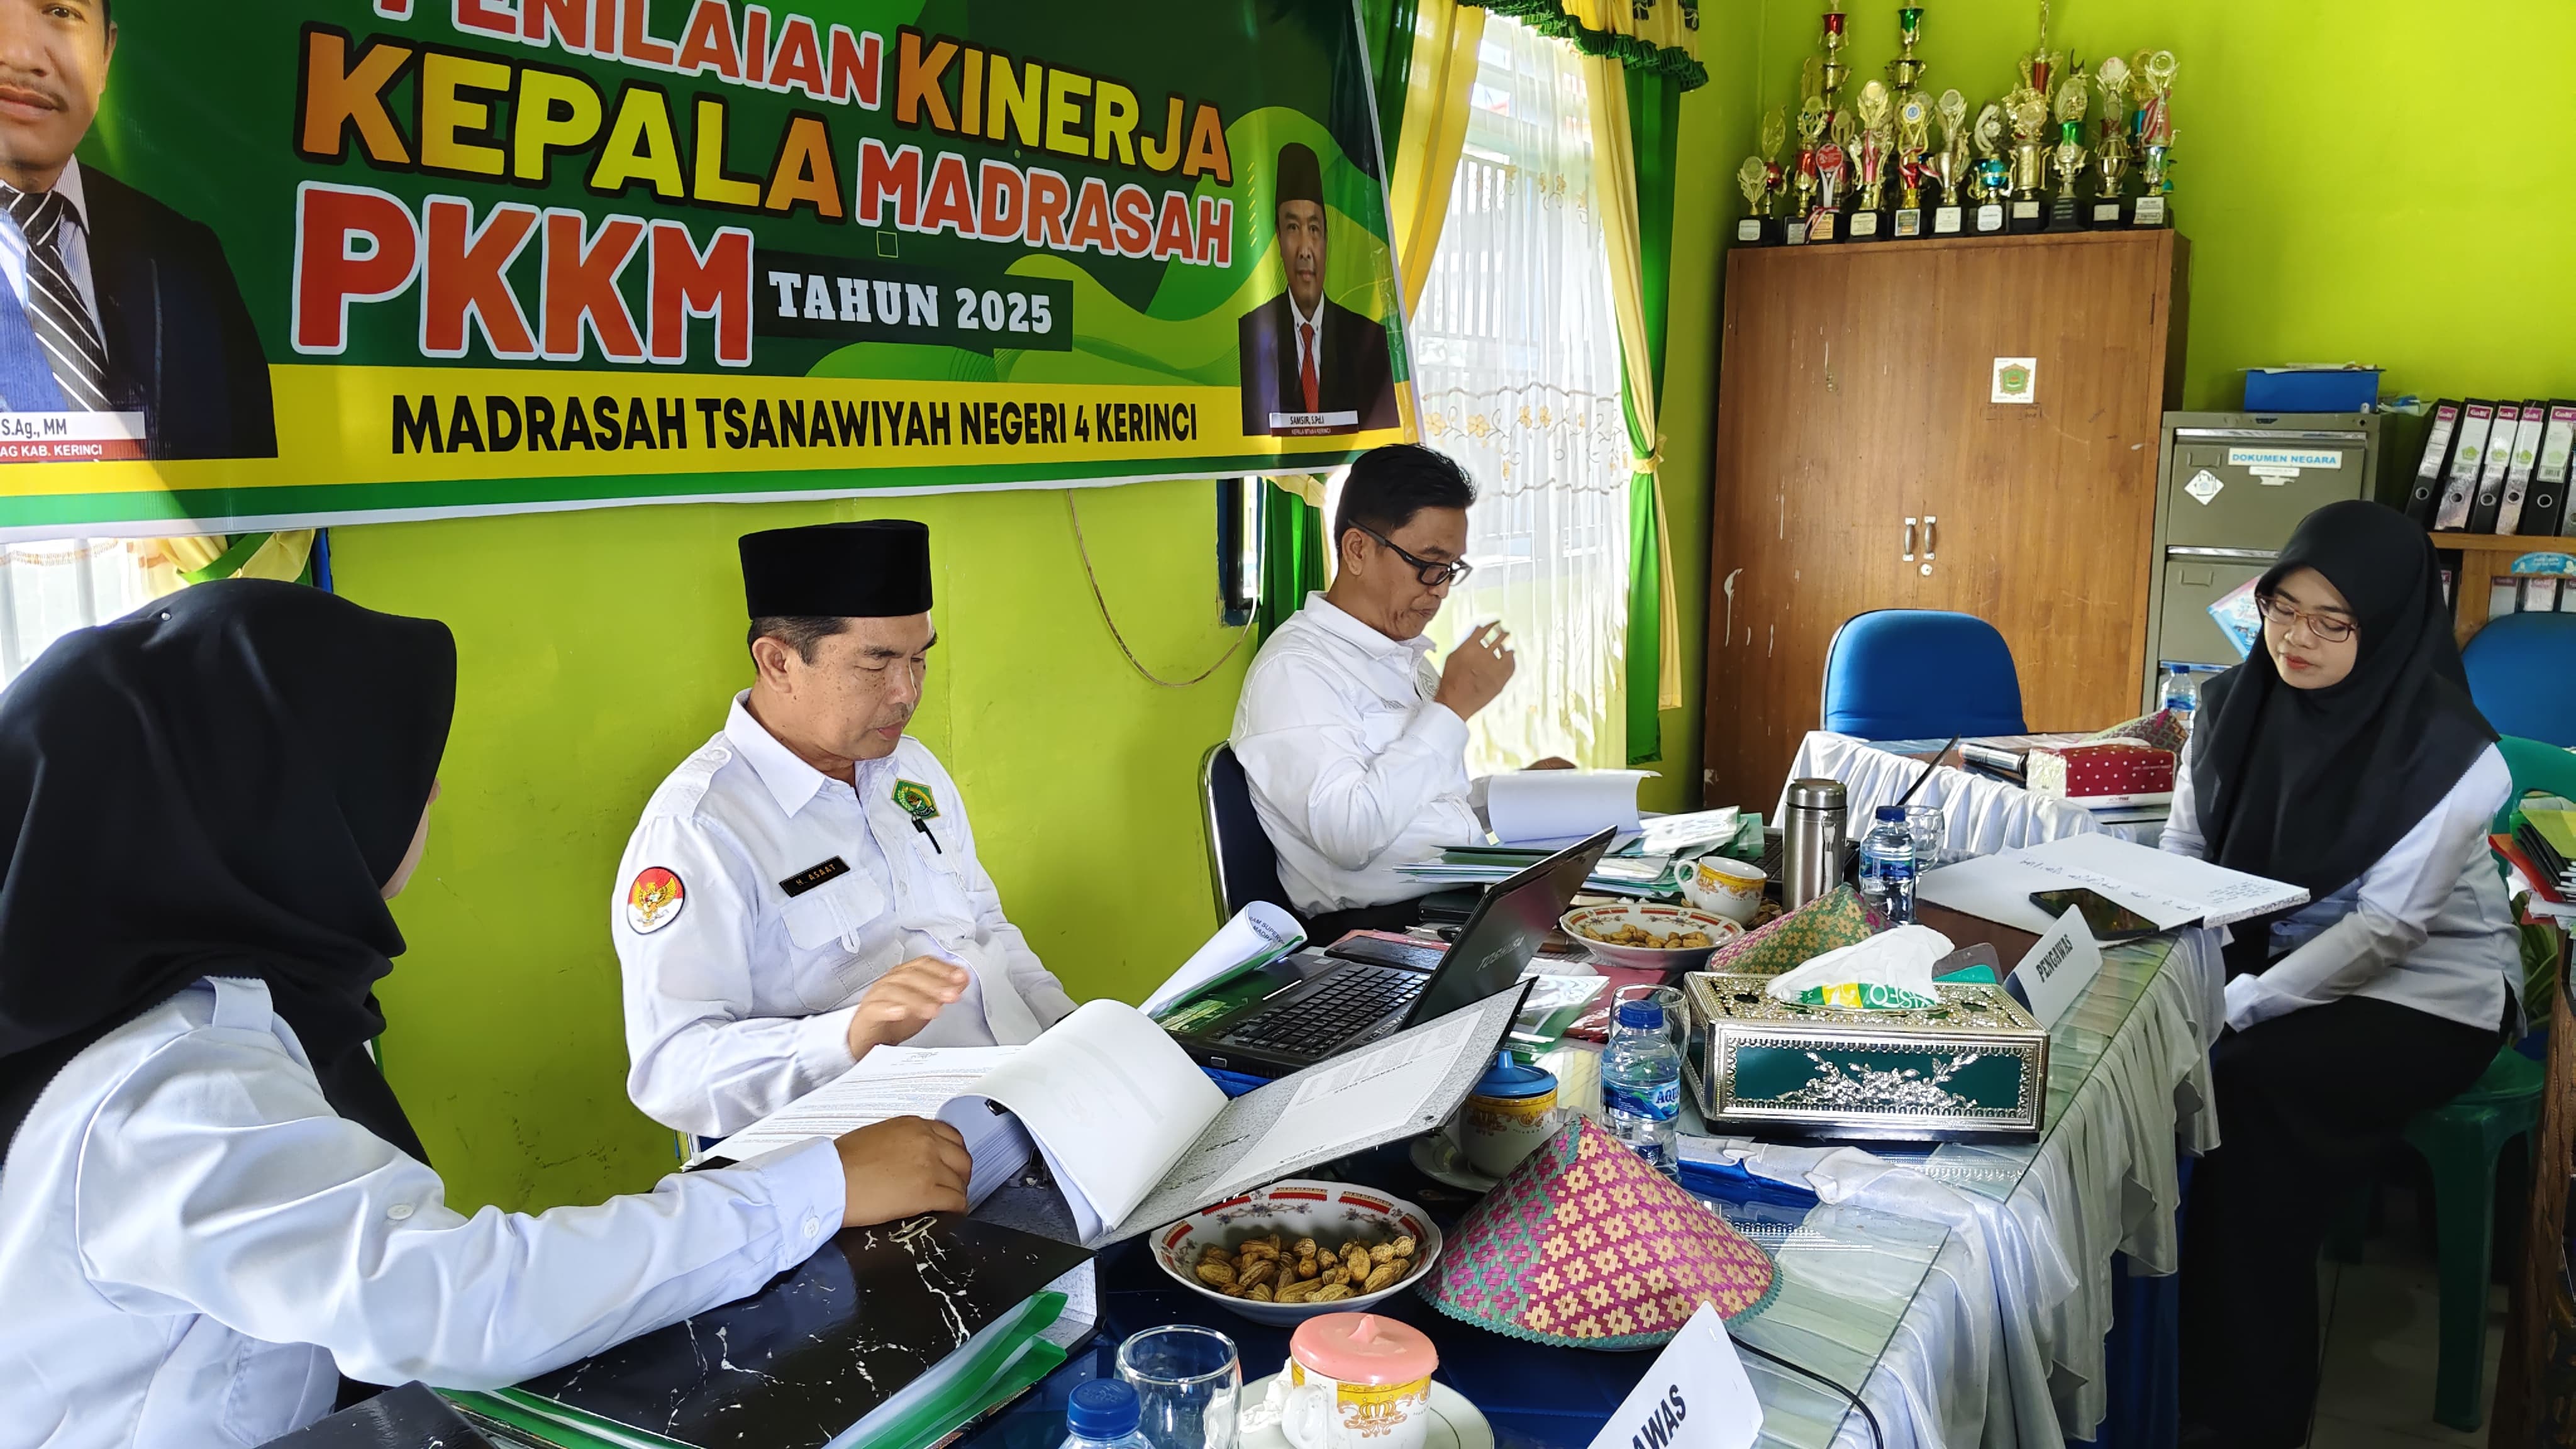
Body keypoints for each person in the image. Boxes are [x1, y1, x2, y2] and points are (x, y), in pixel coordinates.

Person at [0, 580, 973, 1447]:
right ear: (283, 807)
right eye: (389, 766)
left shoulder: (203, 1003)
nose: (426, 792)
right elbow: (456, 1302)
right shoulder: (167, 1087)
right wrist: (817, 1186)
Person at [2169, 501, 2520, 1448]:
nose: (2297, 640)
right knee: (2163, 1069)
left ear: (2391, 626)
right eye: (2283, 609)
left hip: (2433, 991)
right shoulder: (2227, 707)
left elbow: (2388, 930)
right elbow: (2184, 856)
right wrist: (2174, 975)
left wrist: (2236, 1007)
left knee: (2246, 1094)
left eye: (2334, 623)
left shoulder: (2452, 755)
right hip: (2279, 956)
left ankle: (2249, 1413)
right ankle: (2182, 1365)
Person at [618, 520, 1078, 1141]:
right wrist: (847, 1035)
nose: (906, 693)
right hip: (883, 1152)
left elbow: (985, 926)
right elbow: (672, 1072)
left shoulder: (910, 768)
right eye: (876, 664)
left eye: (919, 659)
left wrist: (1073, 1033)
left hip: (1023, 1096)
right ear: (778, 662)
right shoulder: (700, 830)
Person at [1230, 445, 1566, 940]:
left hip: (1453, 909)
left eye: (1451, 568)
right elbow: (1350, 834)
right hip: (1371, 937)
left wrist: (1511, 797)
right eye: (1428, 563)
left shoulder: (1402, 656)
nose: (1441, 588)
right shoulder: (1296, 671)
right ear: (1357, 550)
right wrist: (1449, 710)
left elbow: (1420, 809)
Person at [0, 0, 275, 458]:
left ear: (106, 56)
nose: (22, 55)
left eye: (61, 11)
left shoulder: (189, 259)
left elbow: (252, 486)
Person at [1236, 141, 1398, 438]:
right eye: (1293, 228)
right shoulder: (1250, 335)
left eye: (1314, 229)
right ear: (1278, 237)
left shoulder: (1369, 341)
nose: (1305, 250)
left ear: (1326, 240)